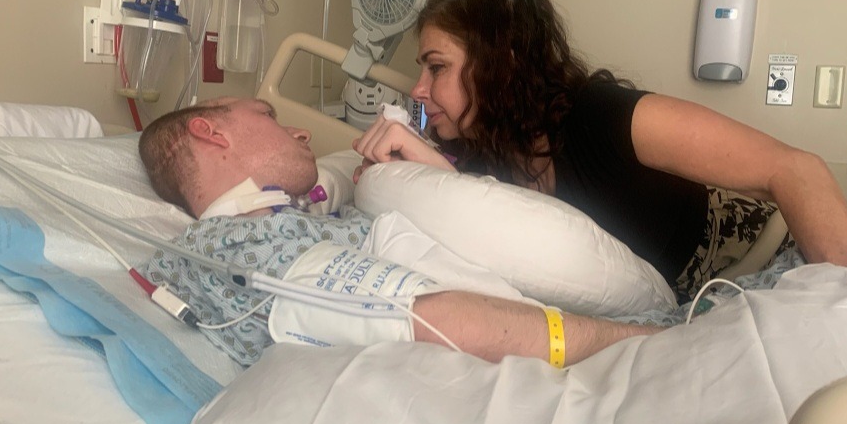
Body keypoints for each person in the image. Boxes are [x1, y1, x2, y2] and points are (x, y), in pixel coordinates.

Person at [352, 0, 847, 301]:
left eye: (435, 67)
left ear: (501, 65)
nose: (420, 89)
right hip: (704, 298)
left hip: (778, 256)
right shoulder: (481, 151)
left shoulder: (606, 117)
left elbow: (796, 169)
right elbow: (491, 222)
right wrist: (424, 163)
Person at [137, 96, 662, 369]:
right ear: (209, 131)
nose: (300, 131)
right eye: (269, 114)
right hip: (584, 351)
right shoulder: (235, 248)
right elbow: (433, 320)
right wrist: (640, 341)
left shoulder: (282, 226)